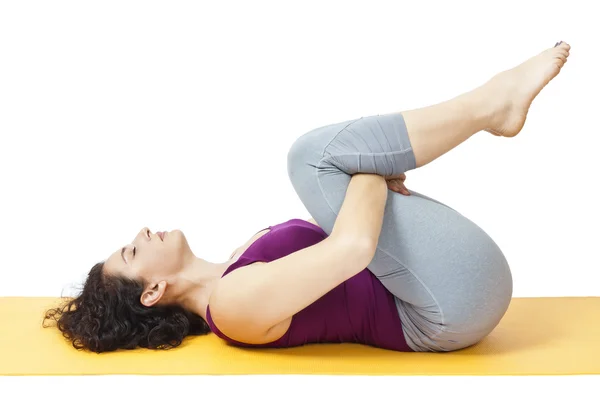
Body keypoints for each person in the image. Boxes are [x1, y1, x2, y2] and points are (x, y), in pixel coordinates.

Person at [43, 41, 571, 353]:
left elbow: (358, 237)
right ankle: (490, 106)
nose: (141, 233)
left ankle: (492, 107)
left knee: (317, 159)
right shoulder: (230, 306)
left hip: (447, 285)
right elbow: (352, 250)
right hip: (446, 308)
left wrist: (369, 183)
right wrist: (369, 171)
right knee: (310, 158)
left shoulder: (237, 264)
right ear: (153, 291)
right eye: (133, 252)